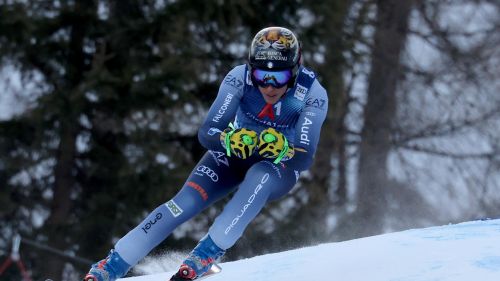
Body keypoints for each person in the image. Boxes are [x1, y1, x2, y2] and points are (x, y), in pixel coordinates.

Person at [84, 26, 328, 281]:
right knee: (183, 203)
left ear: (295, 70)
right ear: (250, 69)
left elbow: (304, 156)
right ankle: (111, 266)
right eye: (260, 75)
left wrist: (283, 149)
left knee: (260, 175)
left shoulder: (311, 94)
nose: (269, 86)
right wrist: (228, 138)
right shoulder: (239, 78)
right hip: (235, 154)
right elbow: (207, 132)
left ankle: (206, 253)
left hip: (278, 167)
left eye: (278, 77)